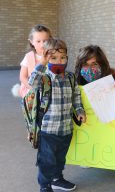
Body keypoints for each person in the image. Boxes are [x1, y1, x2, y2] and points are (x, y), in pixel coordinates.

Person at [28, 38, 86, 192]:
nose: (59, 61)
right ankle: (45, 186)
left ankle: (57, 179)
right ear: (46, 58)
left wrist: (79, 110)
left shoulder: (70, 77)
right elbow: (32, 83)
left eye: (62, 57)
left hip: (66, 128)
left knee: (60, 158)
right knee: (47, 161)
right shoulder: (44, 77)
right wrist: (42, 63)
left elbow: (76, 96)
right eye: (53, 58)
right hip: (48, 129)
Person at [13, 24, 52, 98]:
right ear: (31, 42)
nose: (42, 44)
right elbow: (22, 76)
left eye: (45, 41)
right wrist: (31, 88)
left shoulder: (53, 56)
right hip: (32, 89)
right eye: (38, 41)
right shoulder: (28, 57)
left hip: (49, 89)